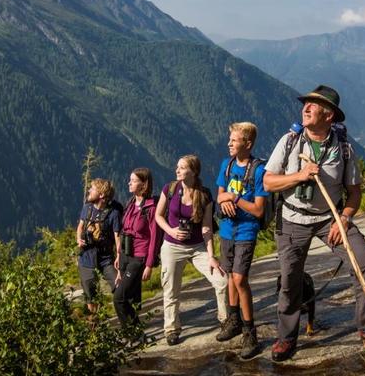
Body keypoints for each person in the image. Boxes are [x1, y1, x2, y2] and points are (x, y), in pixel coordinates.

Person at [263, 85, 365, 362]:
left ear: (329, 116)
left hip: (330, 218)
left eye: (313, 105)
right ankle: (287, 336)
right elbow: (268, 182)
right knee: (290, 279)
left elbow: (354, 191)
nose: (305, 108)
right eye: (306, 103)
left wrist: (344, 218)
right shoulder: (290, 141)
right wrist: (300, 176)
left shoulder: (343, 148)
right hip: (292, 219)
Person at [155, 154, 227, 346]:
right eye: (177, 167)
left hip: (197, 247)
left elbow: (207, 227)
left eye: (182, 167)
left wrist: (212, 256)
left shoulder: (204, 195)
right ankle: (171, 329)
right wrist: (171, 231)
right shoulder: (169, 189)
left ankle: (225, 320)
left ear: (193, 172)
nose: (177, 170)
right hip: (172, 246)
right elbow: (158, 216)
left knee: (222, 281)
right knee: (171, 289)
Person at [214, 122, 268, 359]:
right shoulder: (226, 165)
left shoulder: (258, 171)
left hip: (246, 230)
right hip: (227, 230)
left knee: (240, 278)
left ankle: (250, 331)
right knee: (229, 277)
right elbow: (219, 196)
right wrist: (224, 200)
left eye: (233, 141)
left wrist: (233, 198)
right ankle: (233, 319)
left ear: (247, 143)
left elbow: (258, 210)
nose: (229, 144)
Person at [114, 168, 162, 327]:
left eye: (133, 180)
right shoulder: (130, 204)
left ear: (143, 184)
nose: (129, 183)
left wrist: (149, 264)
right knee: (130, 299)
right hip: (126, 254)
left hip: (139, 257)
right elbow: (123, 232)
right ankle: (135, 332)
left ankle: (132, 333)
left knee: (119, 298)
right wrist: (118, 256)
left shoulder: (151, 207)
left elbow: (155, 237)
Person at [76, 178, 123, 315]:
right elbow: (80, 226)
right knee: (90, 295)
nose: (89, 190)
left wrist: (119, 256)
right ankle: (94, 327)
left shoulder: (113, 214)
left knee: (119, 287)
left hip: (106, 258)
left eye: (92, 188)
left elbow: (117, 237)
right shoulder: (87, 208)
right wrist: (79, 239)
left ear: (101, 195)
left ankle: (125, 318)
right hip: (86, 257)